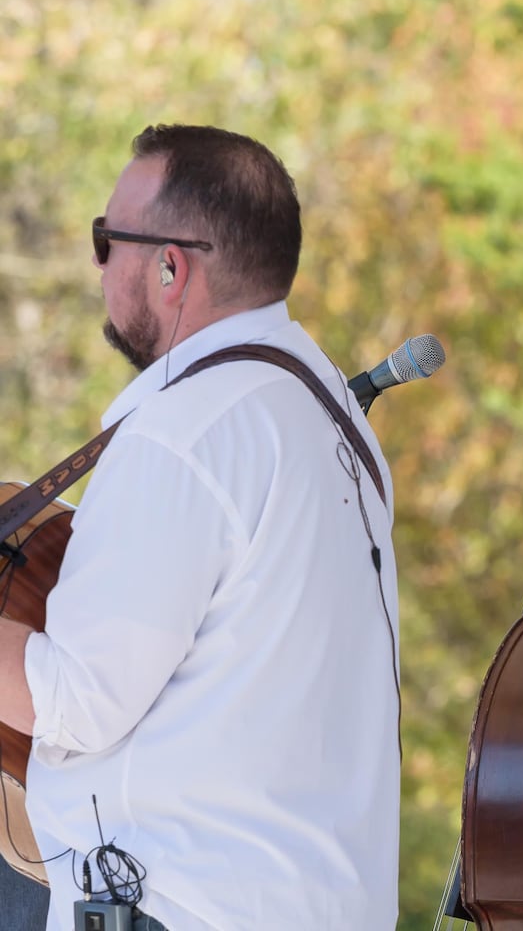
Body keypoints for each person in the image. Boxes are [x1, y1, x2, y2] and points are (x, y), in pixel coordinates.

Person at [0, 125, 401, 930]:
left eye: (106, 241)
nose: (99, 263)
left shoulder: (183, 432)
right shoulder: (331, 422)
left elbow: (74, 699)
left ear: (170, 266)